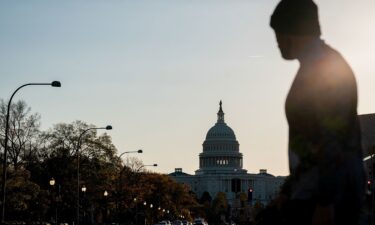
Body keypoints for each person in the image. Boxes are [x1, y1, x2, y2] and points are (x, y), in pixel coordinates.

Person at [265, 0, 366, 225]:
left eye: (279, 34)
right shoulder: (315, 66)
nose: (278, 43)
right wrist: (290, 188)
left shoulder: (326, 69)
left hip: (330, 194)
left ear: (295, 30)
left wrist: (326, 200)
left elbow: (333, 139)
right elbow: (309, 144)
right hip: (316, 189)